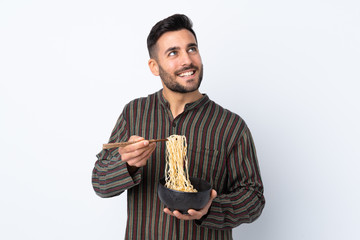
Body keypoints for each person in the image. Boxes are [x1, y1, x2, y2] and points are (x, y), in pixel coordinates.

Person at [92, 14, 265, 240]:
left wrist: (210, 208)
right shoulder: (134, 113)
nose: (187, 60)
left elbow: (253, 198)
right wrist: (127, 165)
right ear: (154, 66)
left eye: (192, 49)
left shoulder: (231, 125)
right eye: (173, 53)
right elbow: (100, 183)